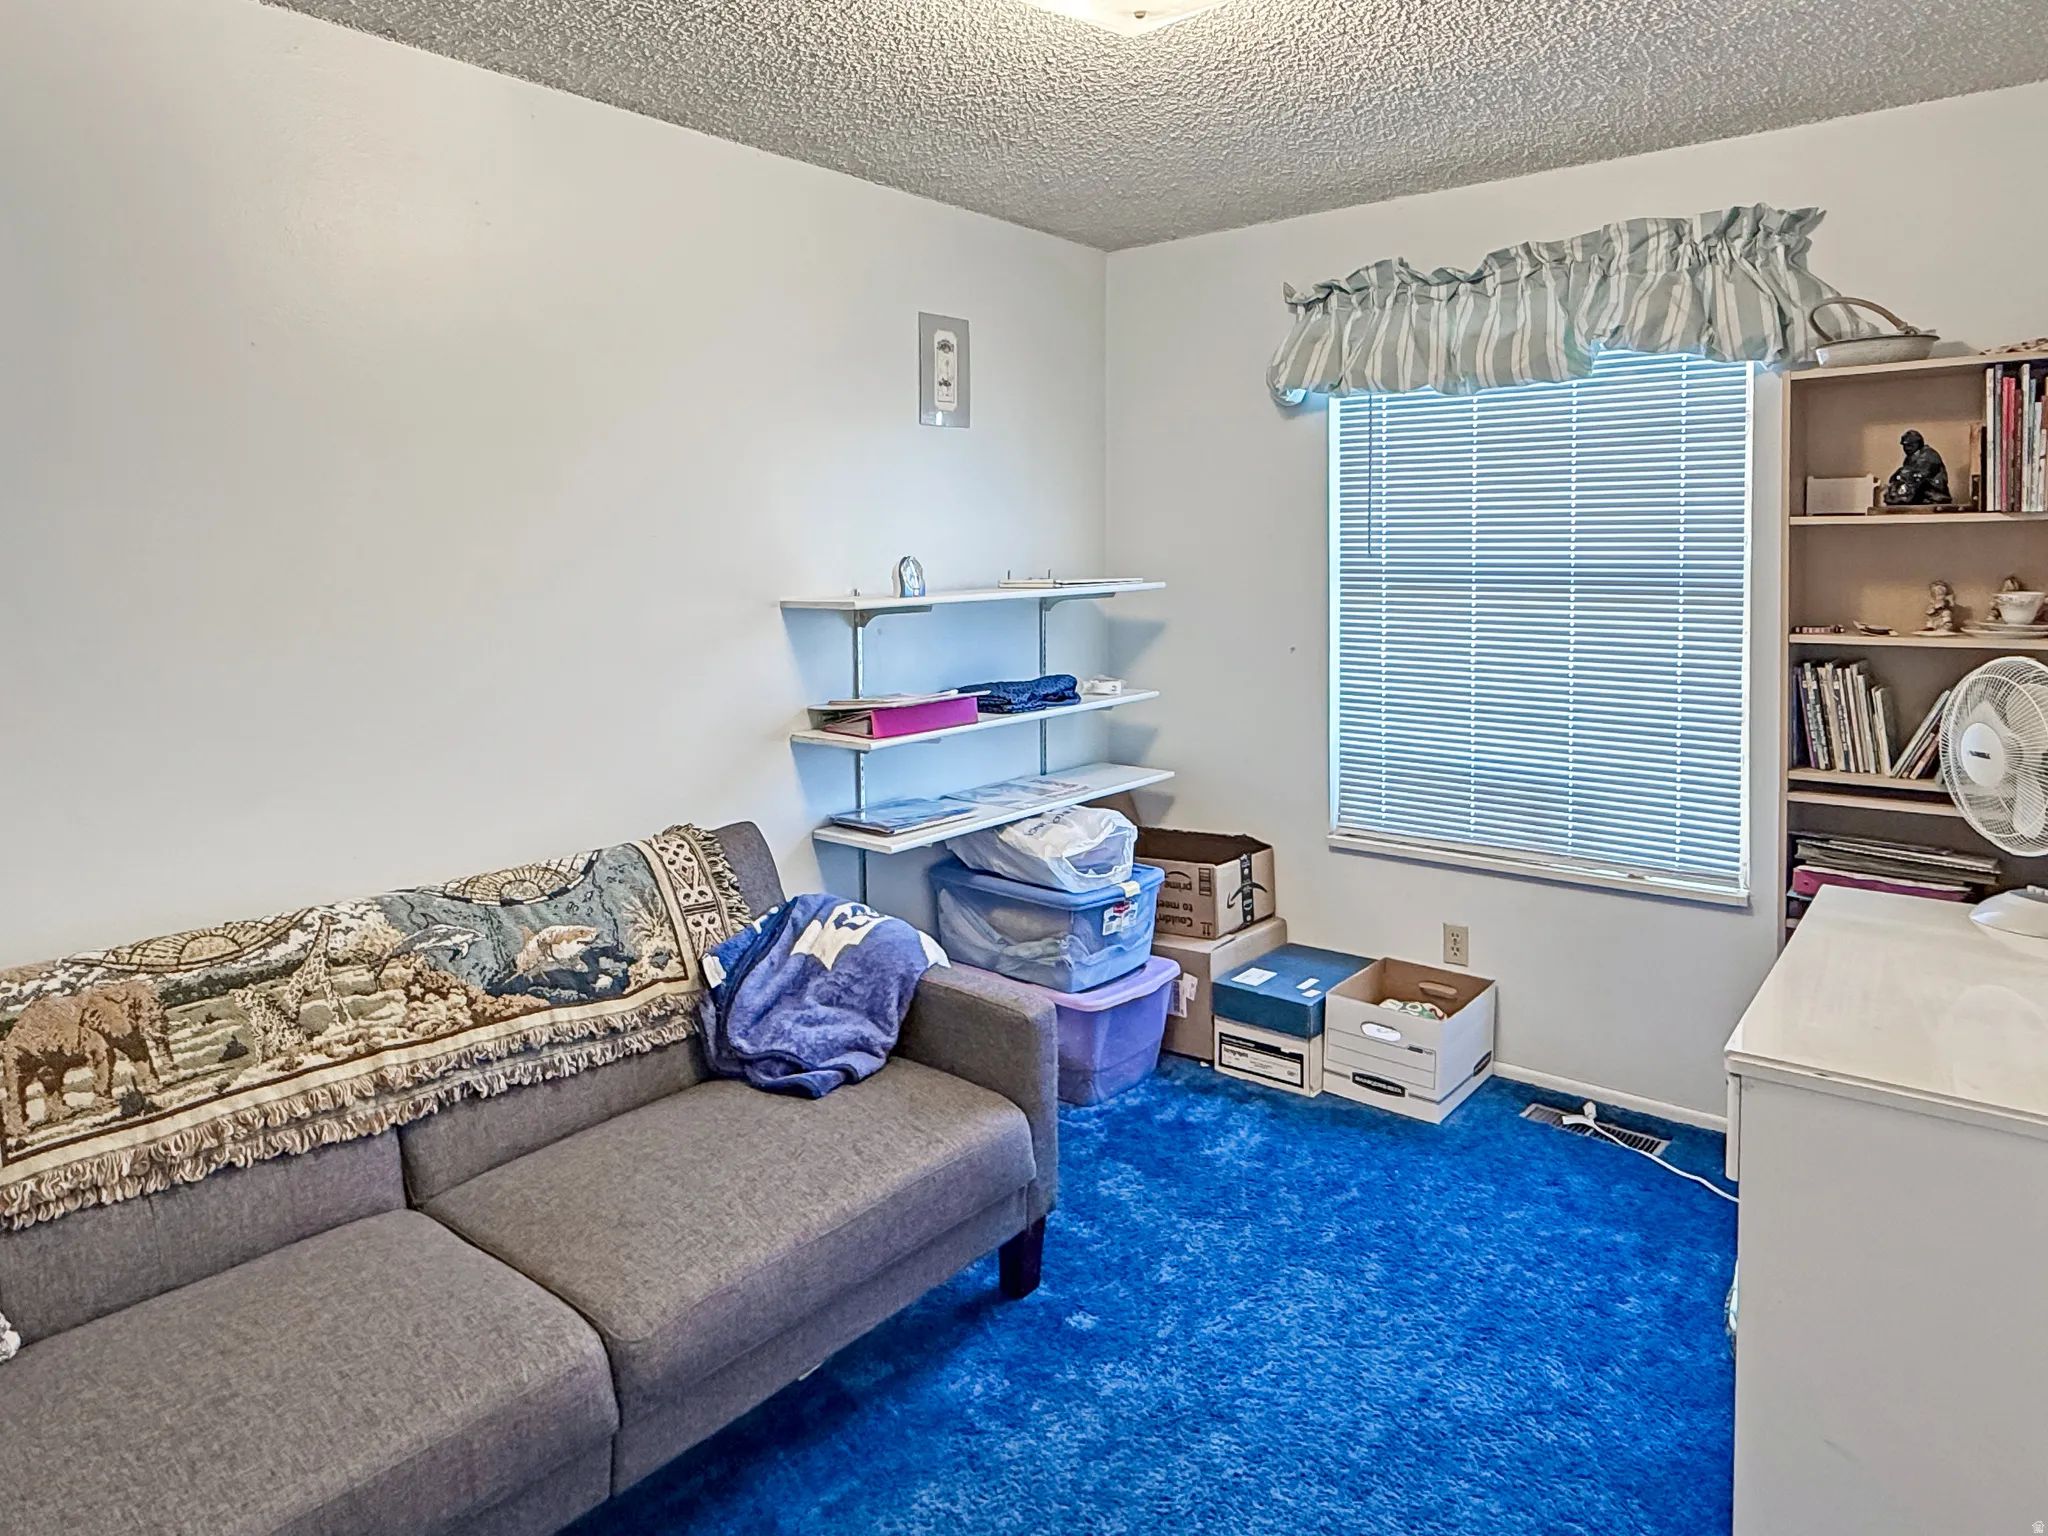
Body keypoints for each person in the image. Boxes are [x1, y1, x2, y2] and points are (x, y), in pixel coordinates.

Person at [1884, 430, 1951, 505]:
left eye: (1910, 445)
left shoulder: (1929, 455)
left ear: (1918, 444)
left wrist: (1902, 473)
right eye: (1904, 446)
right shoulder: (1910, 458)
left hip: (1933, 497)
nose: (1907, 448)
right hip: (1919, 497)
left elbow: (1919, 477)